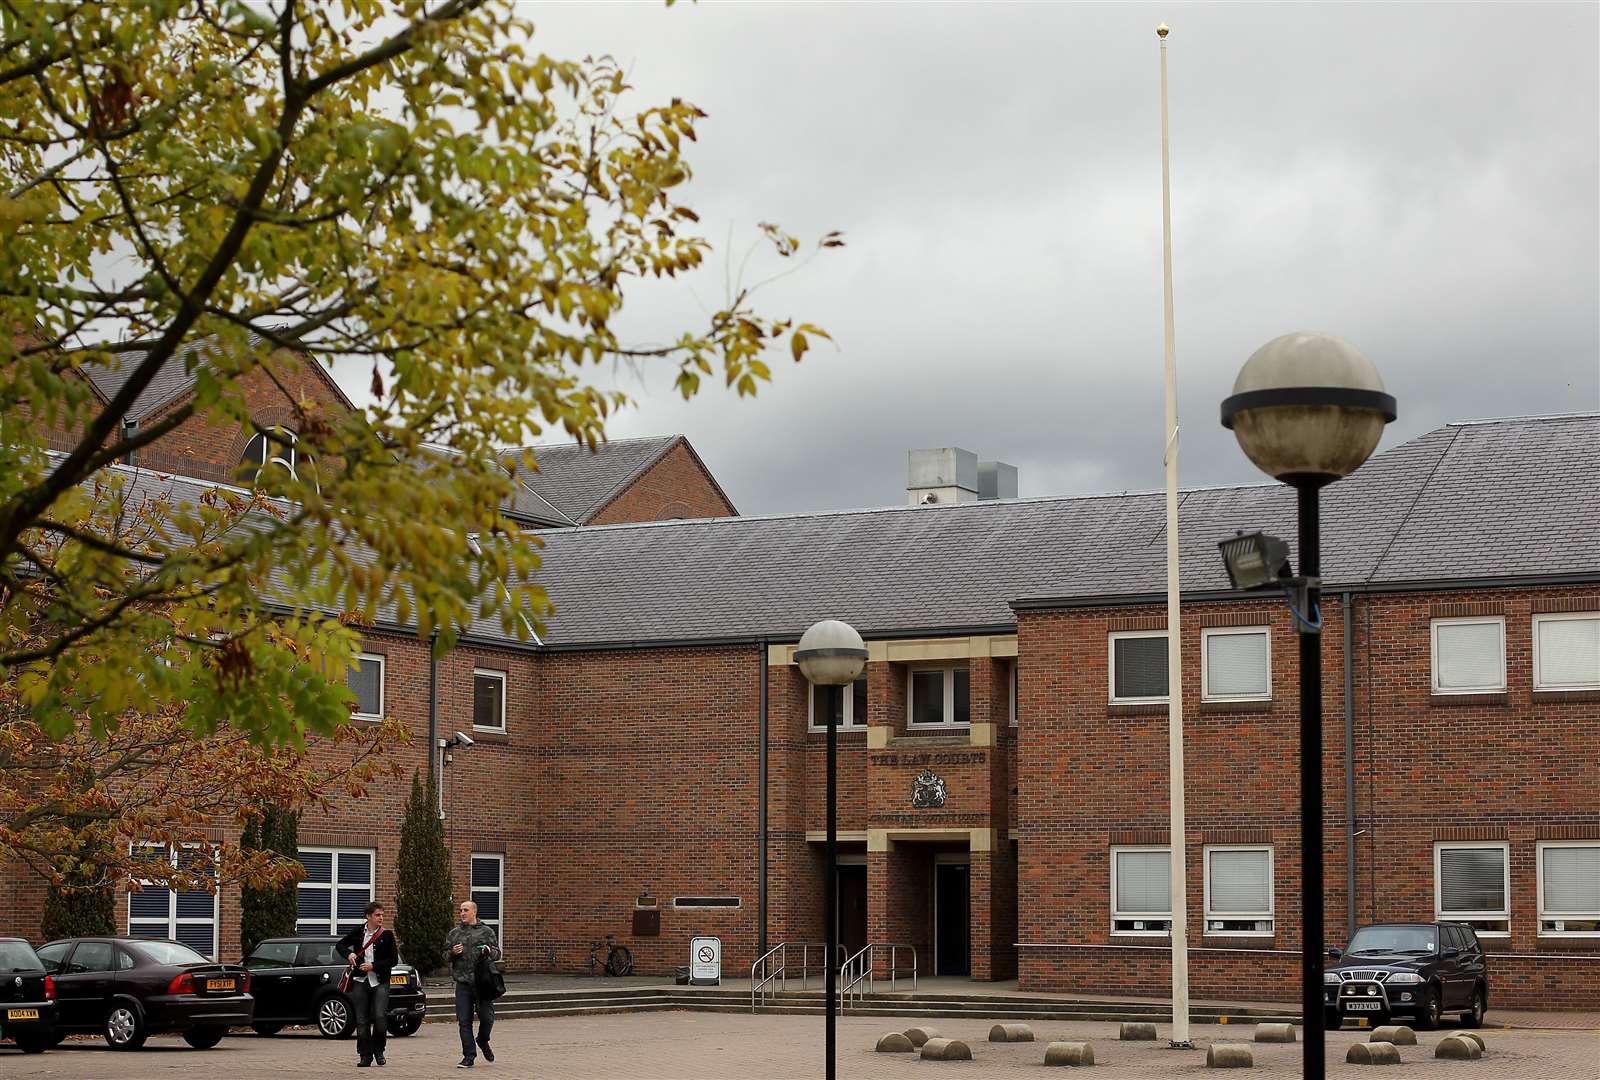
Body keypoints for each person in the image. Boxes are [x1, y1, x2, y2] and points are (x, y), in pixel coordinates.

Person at [336, 901, 398, 1068]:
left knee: (379, 1017)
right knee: (362, 1019)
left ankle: (379, 1050)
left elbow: (393, 960)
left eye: (382, 915)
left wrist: (374, 966)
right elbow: (340, 945)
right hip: (360, 981)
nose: (381, 918)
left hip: (379, 981)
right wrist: (349, 954)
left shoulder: (387, 935)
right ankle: (364, 1055)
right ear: (368, 916)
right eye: (377, 915)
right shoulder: (358, 932)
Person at [446, 899, 502, 1068]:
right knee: (464, 1021)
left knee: (487, 1018)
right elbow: (444, 955)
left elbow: (497, 953)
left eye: (465, 910)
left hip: (482, 984)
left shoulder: (486, 931)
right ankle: (468, 1056)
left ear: (474, 912)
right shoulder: (454, 933)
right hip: (463, 983)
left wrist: (488, 951)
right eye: (461, 910)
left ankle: (483, 1040)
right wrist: (452, 953)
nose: (462, 913)